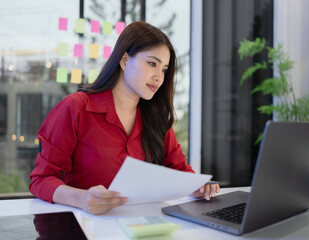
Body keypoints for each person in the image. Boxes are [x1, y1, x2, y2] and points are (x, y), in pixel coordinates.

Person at [29, 21, 220, 215]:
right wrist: (82, 199)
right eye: (152, 63)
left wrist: (199, 187)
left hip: (142, 226)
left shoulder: (157, 119)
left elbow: (181, 171)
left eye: (163, 69)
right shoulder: (76, 108)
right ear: (125, 60)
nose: (158, 77)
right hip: (84, 226)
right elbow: (41, 180)